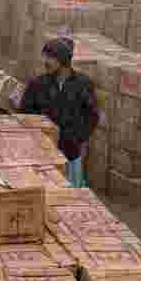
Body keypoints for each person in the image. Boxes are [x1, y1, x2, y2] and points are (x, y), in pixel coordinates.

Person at [19, 38, 99, 188]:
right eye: (45, 57)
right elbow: (24, 115)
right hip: (42, 156)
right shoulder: (37, 84)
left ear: (63, 60)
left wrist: (77, 138)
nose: (45, 61)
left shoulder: (83, 84)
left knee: (70, 196)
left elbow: (92, 116)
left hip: (70, 154)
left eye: (50, 57)